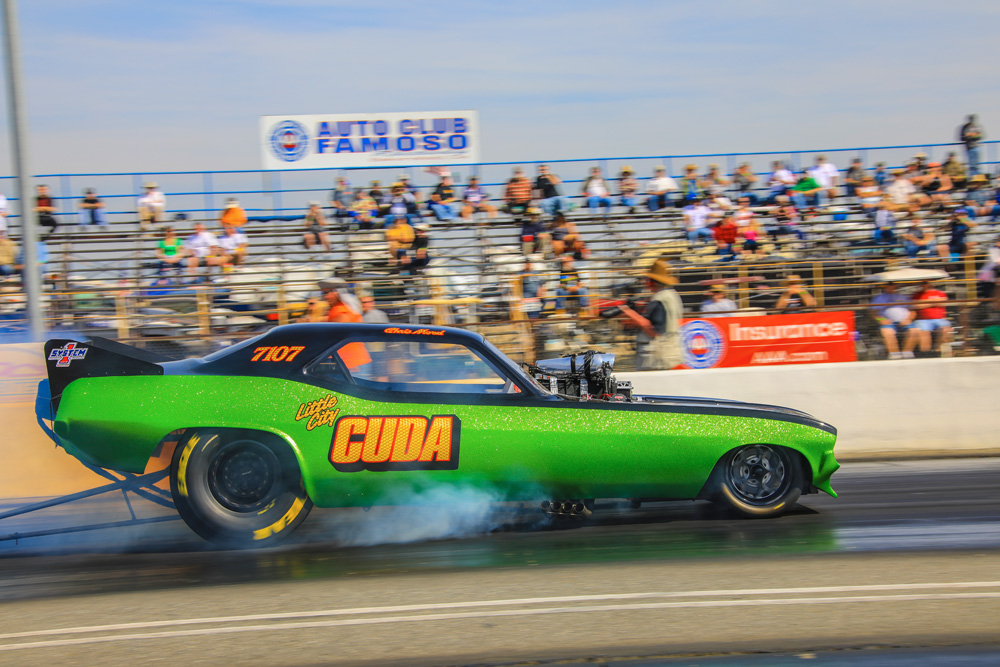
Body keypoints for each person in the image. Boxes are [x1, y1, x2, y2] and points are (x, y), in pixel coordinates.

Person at [619, 258, 683, 370]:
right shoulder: (672, 295)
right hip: (668, 351)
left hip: (656, 356)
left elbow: (654, 331)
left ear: (653, 281)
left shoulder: (660, 299)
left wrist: (629, 312)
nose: (645, 281)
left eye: (647, 279)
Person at [871, 281, 917, 359]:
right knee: (888, 332)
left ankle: (907, 353)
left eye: (893, 285)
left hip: (904, 321)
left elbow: (912, 310)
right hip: (889, 322)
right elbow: (873, 312)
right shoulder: (879, 297)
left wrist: (909, 319)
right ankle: (894, 354)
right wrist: (881, 319)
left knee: (915, 331)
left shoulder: (903, 297)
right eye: (889, 285)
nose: (891, 287)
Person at [910, 280, 953, 356]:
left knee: (946, 329)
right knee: (924, 332)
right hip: (922, 319)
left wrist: (924, 302)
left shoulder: (940, 293)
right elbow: (916, 306)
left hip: (939, 319)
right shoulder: (917, 294)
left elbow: (942, 303)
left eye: (927, 283)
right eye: (923, 283)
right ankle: (925, 353)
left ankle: (937, 350)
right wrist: (933, 302)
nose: (925, 285)